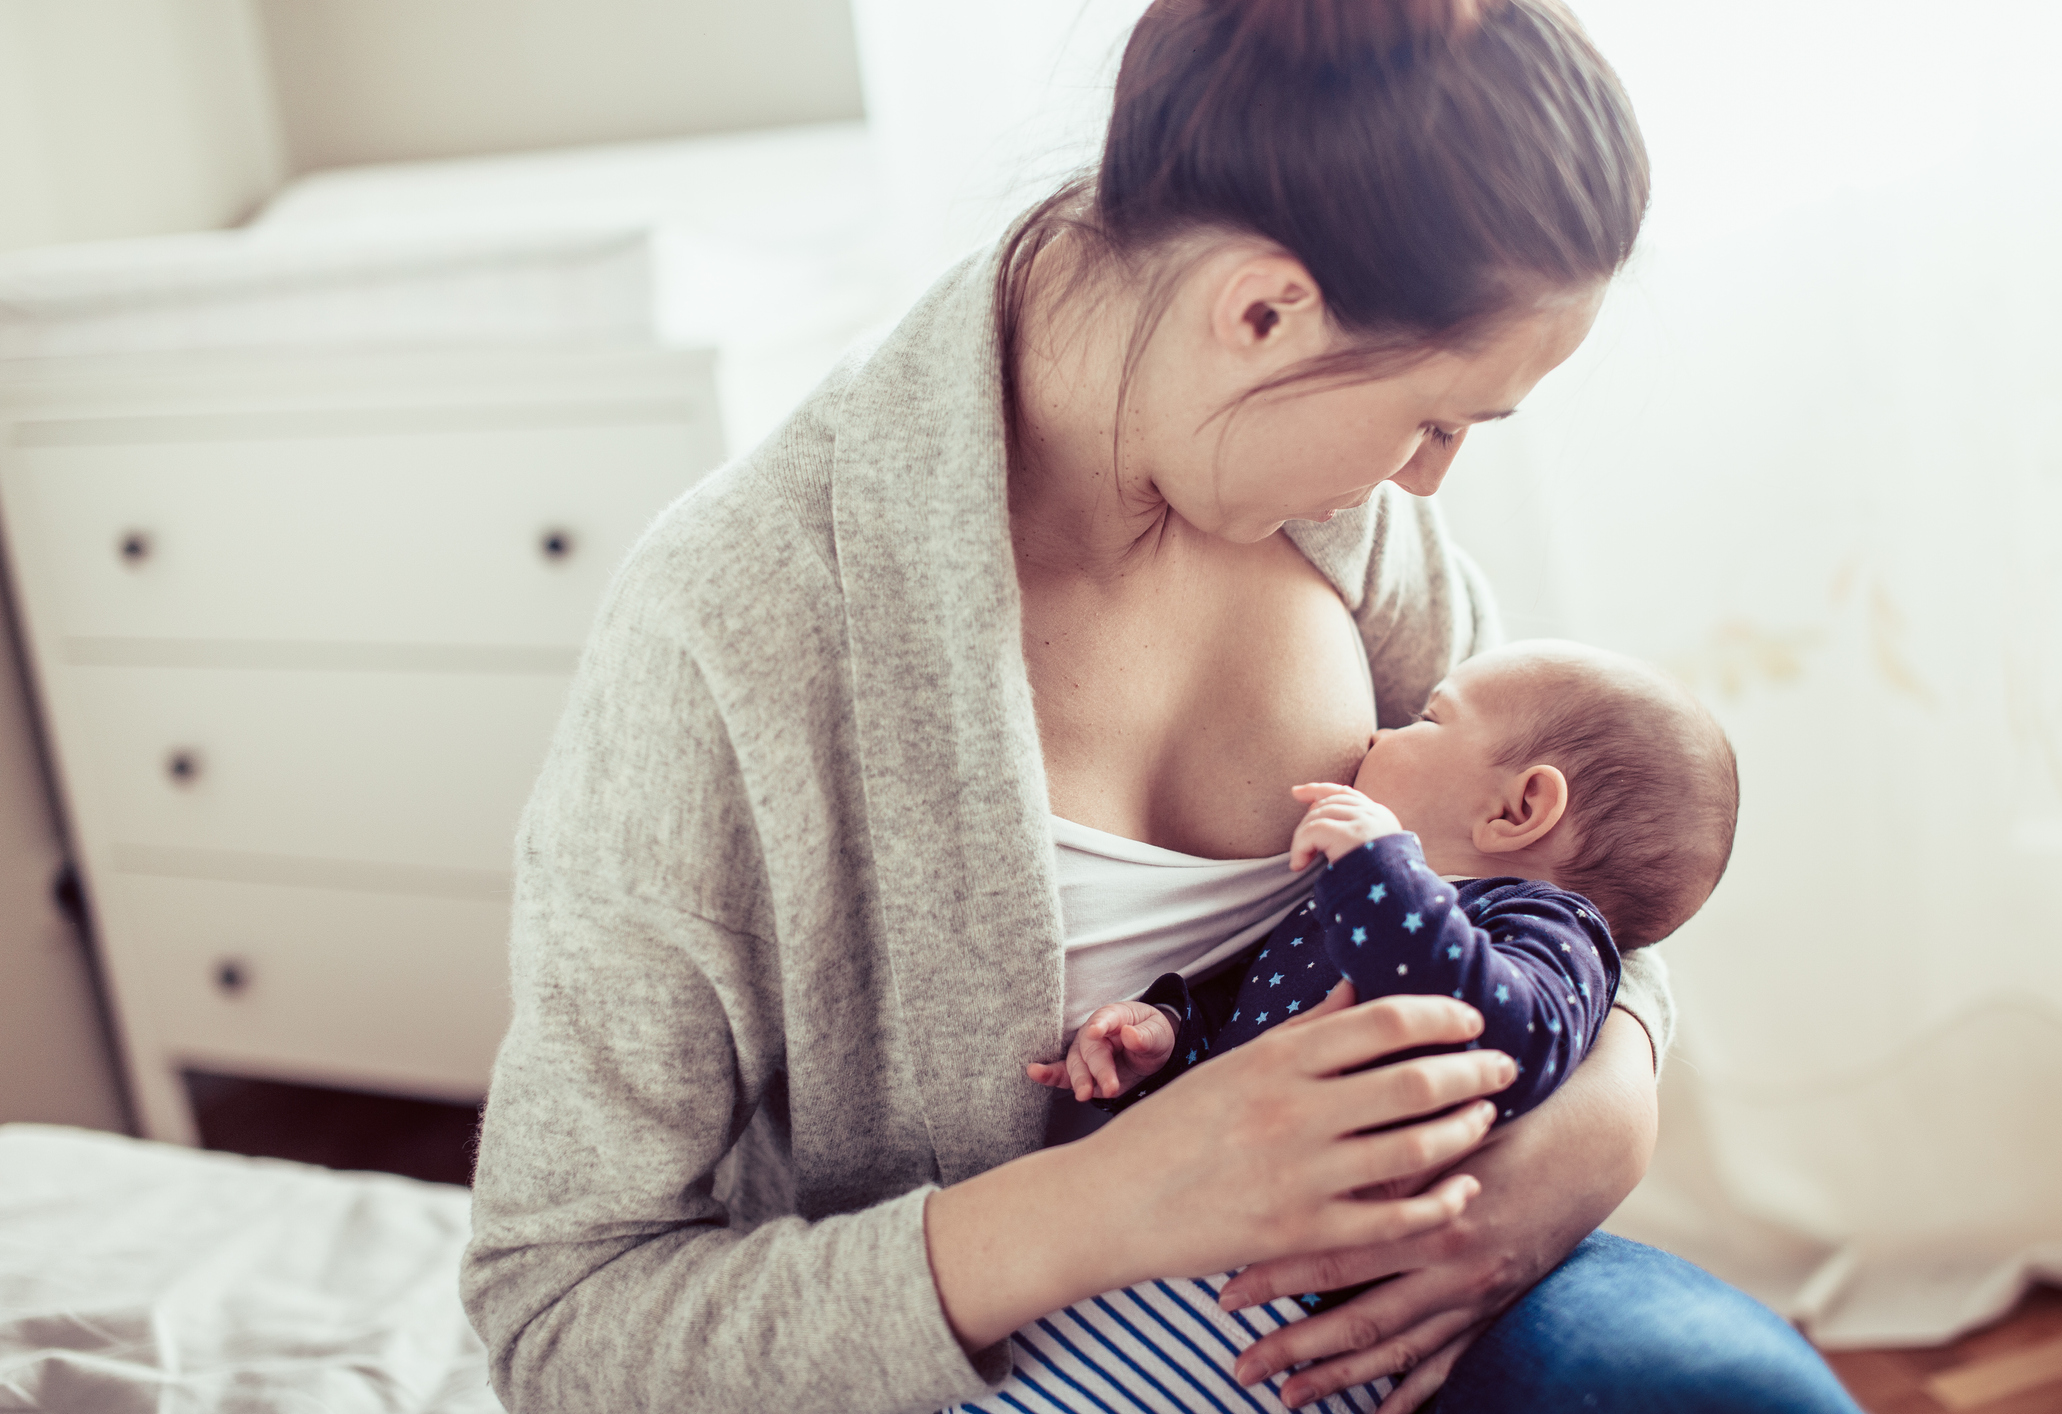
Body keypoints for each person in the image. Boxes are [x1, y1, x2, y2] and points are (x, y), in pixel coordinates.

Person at [461, 2, 1864, 1411]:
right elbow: (559, 1312)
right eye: (1435, 418)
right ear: (1262, 309)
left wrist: (1575, 1157)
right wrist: (1115, 1196)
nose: (1428, 480)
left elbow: (1584, 889)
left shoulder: (1337, 519)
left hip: (1387, 1292)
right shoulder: (738, 626)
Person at [1035, 639, 1737, 1124]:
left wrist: (1381, 867)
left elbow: (1503, 1044)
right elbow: (1258, 1019)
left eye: (1427, 720)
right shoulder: (1363, 900)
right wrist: (1167, 1037)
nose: (1378, 736)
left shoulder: (1547, 928)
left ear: (1515, 810)